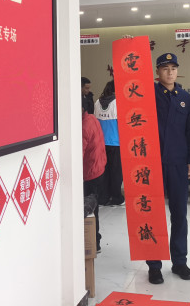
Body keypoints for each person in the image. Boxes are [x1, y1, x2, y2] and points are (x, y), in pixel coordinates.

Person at [147, 52, 190, 284]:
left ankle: (179, 262)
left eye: (173, 68)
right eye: (165, 68)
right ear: (157, 71)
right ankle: (154, 265)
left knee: (179, 214)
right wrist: (128, 47)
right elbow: (128, 84)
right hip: (152, 163)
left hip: (177, 163)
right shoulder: (147, 94)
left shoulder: (185, 98)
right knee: (153, 215)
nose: (170, 72)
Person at [82, 100, 106, 252]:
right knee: (94, 207)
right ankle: (95, 240)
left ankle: (94, 242)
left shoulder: (83, 127)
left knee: (90, 209)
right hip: (99, 166)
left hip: (90, 172)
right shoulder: (91, 118)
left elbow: (79, 154)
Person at [94, 80, 124, 206]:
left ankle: (103, 197)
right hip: (116, 142)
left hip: (101, 143)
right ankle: (116, 198)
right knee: (116, 172)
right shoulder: (118, 102)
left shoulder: (97, 102)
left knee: (104, 171)